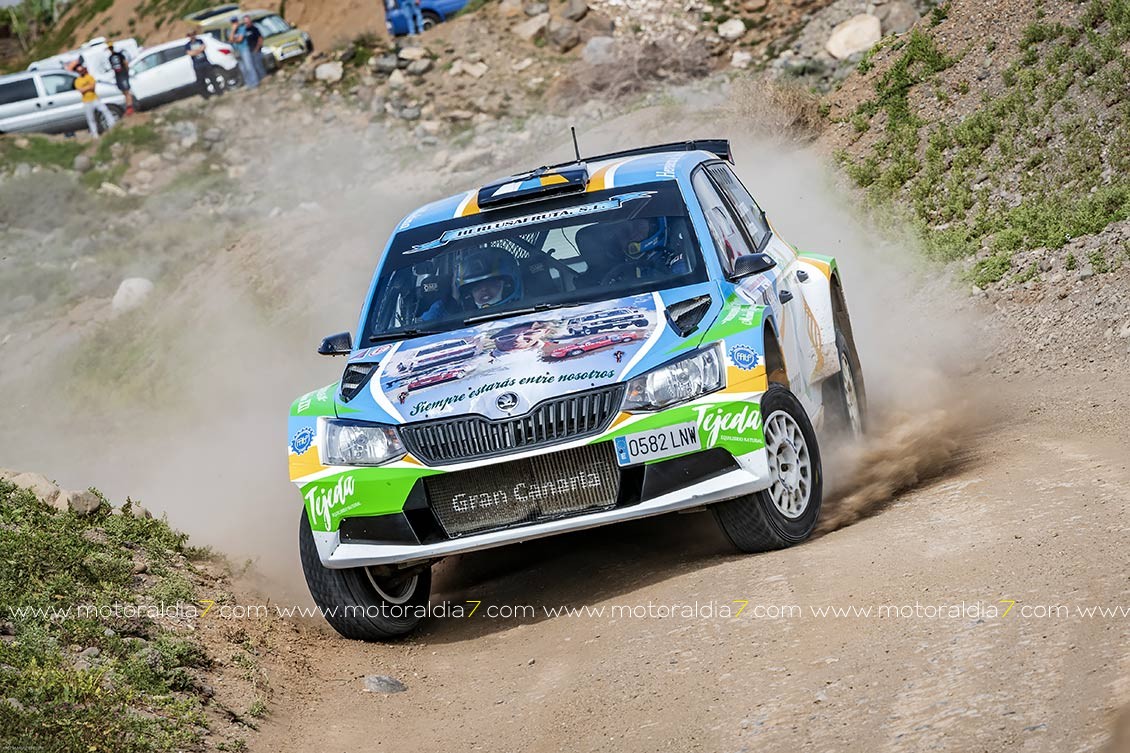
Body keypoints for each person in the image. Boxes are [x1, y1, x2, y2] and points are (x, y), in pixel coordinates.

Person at [73, 64, 116, 137]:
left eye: (82, 70)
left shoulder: (89, 77)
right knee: (90, 118)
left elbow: (92, 87)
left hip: (94, 98)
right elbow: (81, 90)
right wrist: (88, 87)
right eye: (79, 71)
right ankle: (94, 133)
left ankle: (113, 125)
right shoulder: (77, 81)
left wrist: (85, 87)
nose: (81, 72)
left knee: (105, 110)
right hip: (86, 101)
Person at [185, 32, 218, 98]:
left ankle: (218, 92)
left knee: (212, 77)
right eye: (190, 35)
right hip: (197, 65)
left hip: (205, 62)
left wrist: (195, 51)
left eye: (193, 34)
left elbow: (203, 47)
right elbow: (190, 53)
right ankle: (206, 95)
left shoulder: (200, 41)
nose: (192, 36)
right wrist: (198, 50)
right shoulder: (187, 45)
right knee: (201, 81)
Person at [229, 15, 258, 88]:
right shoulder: (230, 31)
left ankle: (255, 82)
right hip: (237, 51)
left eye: (235, 22)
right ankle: (249, 84)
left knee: (249, 67)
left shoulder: (242, 28)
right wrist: (233, 31)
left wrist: (234, 39)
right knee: (243, 69)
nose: (234, 23)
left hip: (244, 49)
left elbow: (240, 39)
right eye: (233, 22)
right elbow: (230, 40)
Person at [106, 42, 134, 114]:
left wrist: (127, 71)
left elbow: (125, 63)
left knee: (126, 91)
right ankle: (128, 105)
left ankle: (130, 106)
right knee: (124, 91)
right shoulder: (111, 57)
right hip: (118, 75)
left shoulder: (118, 55)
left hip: (122, 74)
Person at [239, 15, 267, 85]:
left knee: (258, 65)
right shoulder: (243, 30)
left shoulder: (254, 29)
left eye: (248, 21)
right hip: (248, 52)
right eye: (246, 22)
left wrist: (256, 49)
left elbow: (260, 39)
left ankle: (264, 79)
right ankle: (256, 82)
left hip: (256, 50)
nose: (247, 23)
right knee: (251, 68)